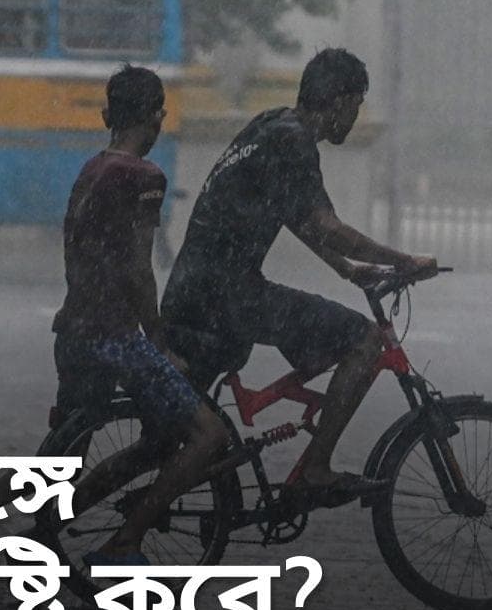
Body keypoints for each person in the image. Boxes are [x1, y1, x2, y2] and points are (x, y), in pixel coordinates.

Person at [0, 64, 224, 587]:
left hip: (73, 332)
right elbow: (140, 268)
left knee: (54, 463)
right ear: (156, 117)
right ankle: (123, 544)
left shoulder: (91, 170)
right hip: (115, 338)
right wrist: (156, 343)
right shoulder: (145, 178)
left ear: (106, 115)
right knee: (208, 436)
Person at [163, 48, 436, 507]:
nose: (356, 115)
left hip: (193, 290)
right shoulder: (294, 141)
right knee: (365, 341)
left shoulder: (270, 125)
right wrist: (403, 259)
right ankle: (314, 469)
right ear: (342, 101)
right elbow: (326, 225)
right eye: (358, 104)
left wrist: (346, 270)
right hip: (228, 295)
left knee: (175, 434)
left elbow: (296, 217)